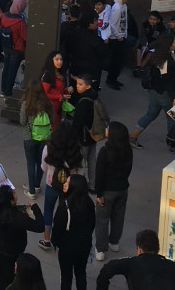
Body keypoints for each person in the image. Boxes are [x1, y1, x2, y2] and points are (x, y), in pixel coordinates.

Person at [0, 184, 43, 290]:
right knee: (7, 279)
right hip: (10, 253)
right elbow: (40, 226)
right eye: (13, 192)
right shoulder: (18, 217)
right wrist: (35, 208)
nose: (15, 193)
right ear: (11, 200)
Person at [52, 171, 96, 290]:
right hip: (83, 245)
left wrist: (56, 243)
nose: (64, 184)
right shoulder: (89, 203)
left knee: (66, 278)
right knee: (81, 273)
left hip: (67, 247)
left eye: (67, 182)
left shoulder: (64, 206)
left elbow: (57, 228)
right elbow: (92, 224)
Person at [38, 121, 83, 250]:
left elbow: (44, 168)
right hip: (70, 186)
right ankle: (62, 239)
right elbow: (80, 171)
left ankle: (47, 239)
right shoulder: (76, 149)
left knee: (48, 210)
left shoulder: (48, 148)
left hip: (51, 184)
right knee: (66, 213)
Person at [94, 121, 133, 261]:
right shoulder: (128, 149)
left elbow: (99, 174)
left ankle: (101, 249)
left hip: (107, 191)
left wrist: (99, 194)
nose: (106, 129)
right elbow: (129, 169)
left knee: (102, 220)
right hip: (122, 188)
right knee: (118, 217)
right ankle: (114, 242)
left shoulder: (105, 151)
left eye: (108, 128)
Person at [130, 35, 175, 147]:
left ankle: (133, 136)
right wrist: (174, 97)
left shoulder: (158, 56)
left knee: (150, 114)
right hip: (164, 94)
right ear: (168, 45)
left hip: (154, 91)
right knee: (173, 117)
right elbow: (167, 81)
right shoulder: (166, 60)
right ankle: (173, 142)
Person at [20, 80, 53, 195]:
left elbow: (22, 121)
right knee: (40, 162)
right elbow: (52, 120)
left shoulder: (26, 104)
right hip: (44, 138)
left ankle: (31, 191)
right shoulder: (48, 104)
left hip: (29, 137)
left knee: (30, 163)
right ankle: (37, 185)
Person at [0, 0, 28, 102]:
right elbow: (25, 36)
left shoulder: (4, 16)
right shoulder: (20, 22)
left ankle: (3, 89)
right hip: (17, 49)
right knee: (12, 70)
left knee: (6, 68)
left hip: (6, 46)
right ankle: (8, 92)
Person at [105, 0, 129, 89]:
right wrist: (118, 36)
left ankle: (114, 79)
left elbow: (124, 21)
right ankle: (111, 80)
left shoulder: (124, 6)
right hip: (116, 39)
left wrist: (124, 34)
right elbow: (112, 24)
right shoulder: (117, 8)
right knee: (115, 61)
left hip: (122, 36)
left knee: (119, 61)